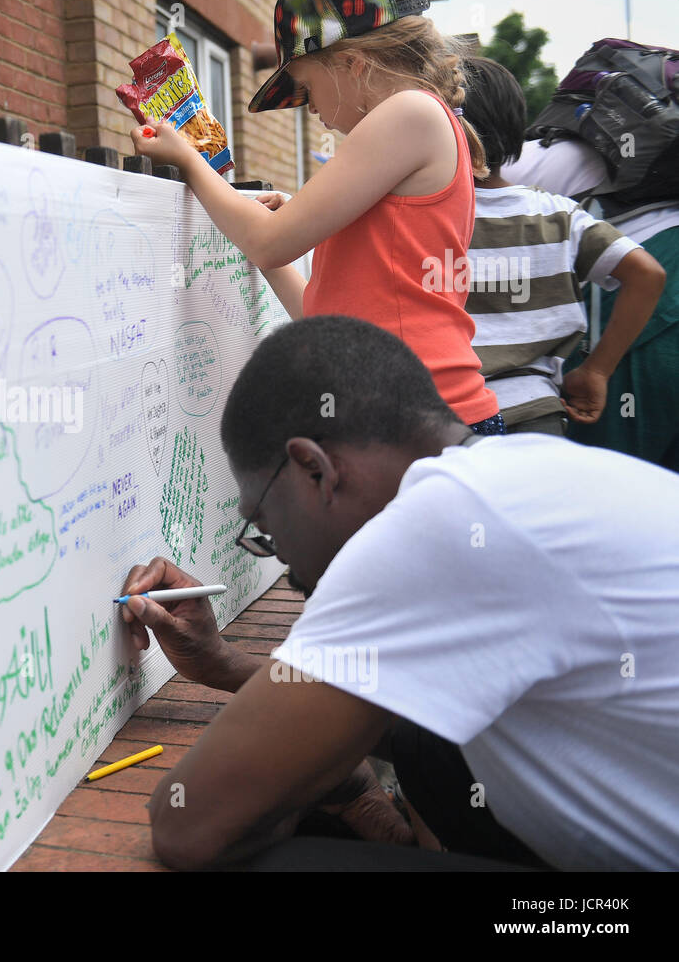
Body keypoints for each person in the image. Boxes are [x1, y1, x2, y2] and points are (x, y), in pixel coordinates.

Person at [119, 316, 679, 871]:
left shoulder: (437, 523)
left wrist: (332, 788)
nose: (280, 554)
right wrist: (222, 664)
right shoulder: (522, 475)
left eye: (264, 520)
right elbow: (419, 717)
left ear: (314, 469)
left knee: (285, 858)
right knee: (432, 754)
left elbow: (187, 825)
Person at [132, 0, 504, 434]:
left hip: (415, 423)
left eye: (307, 89)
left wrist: (190, 161)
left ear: (352, 64)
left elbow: (270, 242)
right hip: (403, 420)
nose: (312, 112)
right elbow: (315, 315)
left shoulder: (410, 113)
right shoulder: (416, 126)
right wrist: (282, 227)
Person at [460, 56, 665, 434]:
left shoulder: (420, 219)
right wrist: (597, 370)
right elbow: (647, 275)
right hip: (538, 415)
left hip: (444, 419)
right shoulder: (558, 214)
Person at [505, 130, 679, 468]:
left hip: (641, 302)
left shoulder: (513, 159)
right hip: (654, 285)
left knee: (607, 478)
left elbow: (647, 277)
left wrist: (597, 369)